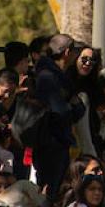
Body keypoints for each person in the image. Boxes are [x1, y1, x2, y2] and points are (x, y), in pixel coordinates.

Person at [30, 35, 83, 197]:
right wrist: (72, 104)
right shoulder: (48, 77)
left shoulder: (59, 77)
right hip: (50, 145)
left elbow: (78, 108)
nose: (77, 56)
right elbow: (62, 112)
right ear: (67, 52)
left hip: (57, 144)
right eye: (75, 51)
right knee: (49, 193)